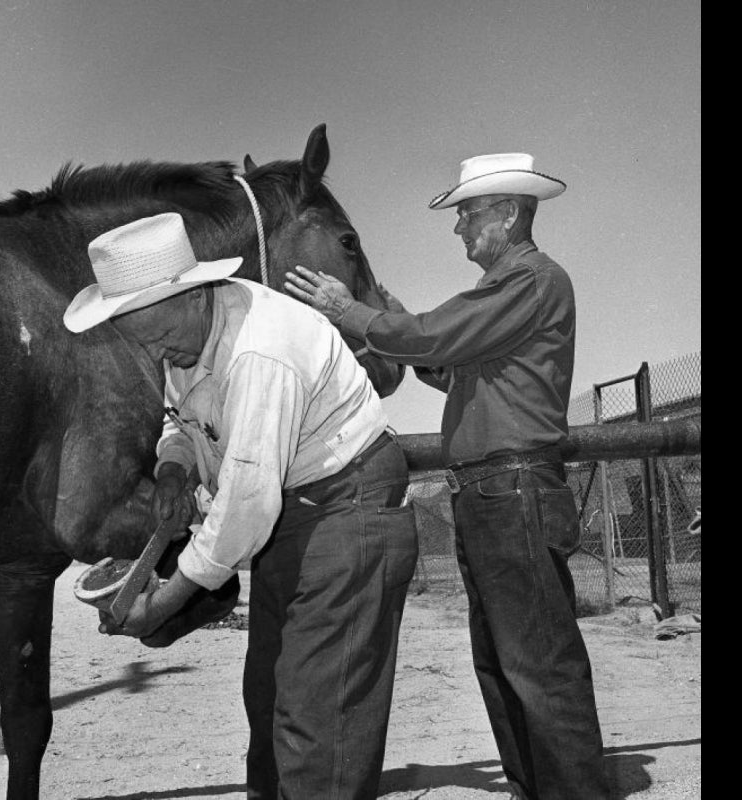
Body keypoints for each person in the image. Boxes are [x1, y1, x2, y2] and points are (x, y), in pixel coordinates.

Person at [284, 153, 609, 800]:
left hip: (510, 489)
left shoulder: (530, 280)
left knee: (536, 661)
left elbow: (436, 340)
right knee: (504, 659)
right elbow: (448, 362)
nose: (459, 227)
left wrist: (355, 315)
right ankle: (535, 785)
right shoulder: (512, 294)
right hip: (494, 493)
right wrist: (393, 327)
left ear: (509, 213)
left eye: (467, 213)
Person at [63, 212, 419, 800]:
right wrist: (173, 469)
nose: (154, 352)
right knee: (269, 693)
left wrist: (167, 600)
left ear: (192, 293)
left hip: (348, 504)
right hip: (295, 510)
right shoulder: (184, 337)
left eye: (154, 335)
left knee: (317, 711)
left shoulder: (259, 348)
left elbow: (245, 506)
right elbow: (181, 419)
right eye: (137, 338)